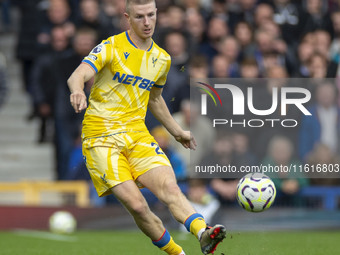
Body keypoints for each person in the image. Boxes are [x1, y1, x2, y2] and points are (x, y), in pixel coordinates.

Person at [67, 1, 226, 255]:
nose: (147, 22)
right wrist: (77, 91)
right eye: (139, 16)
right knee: (138, 206)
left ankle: (203, 232)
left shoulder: (161, 58)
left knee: (170, 188)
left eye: (151, 15)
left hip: (137, 134)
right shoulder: (111, 46)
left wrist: (177, 131)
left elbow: (155, 99)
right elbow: (77, 74)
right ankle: (177, 252)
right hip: (101, 138)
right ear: (127, 18)